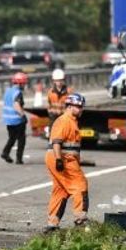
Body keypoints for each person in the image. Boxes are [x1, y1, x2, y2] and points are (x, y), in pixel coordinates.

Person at [44, 93, 89, 231]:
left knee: (61, 190)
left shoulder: (72, 121)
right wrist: (59, 160)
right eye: (78, 106)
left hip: (63, 158)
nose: (81, 109)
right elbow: (57, 142)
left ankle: (52, 223)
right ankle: (80, 219)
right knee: (80, 185)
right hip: (64, 159)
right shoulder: (64, 121)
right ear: (69, 106)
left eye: (82, 107)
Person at [0, 72, 28, 164]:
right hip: (17, 120)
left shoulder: (8, 91)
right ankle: (19, 159)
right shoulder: (18, 93)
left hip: (8, 120)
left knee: (12, 138)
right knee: (21, 139)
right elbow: (16, 105)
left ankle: (5, 152)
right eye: (24, 83)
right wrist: (23, 116)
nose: (24, 85)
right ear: (20, 83)